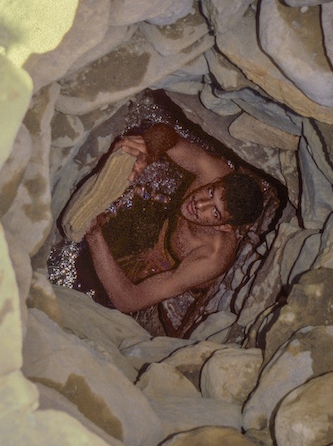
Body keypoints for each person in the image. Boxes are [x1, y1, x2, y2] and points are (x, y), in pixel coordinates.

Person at [83, 124, 265, 315]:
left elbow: (129, 301)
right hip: (162, 230)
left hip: (167, 266)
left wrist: (94, 235)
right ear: (216, 181)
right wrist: (148, 152)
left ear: (226, 227)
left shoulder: (210, 258)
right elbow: (168, 136)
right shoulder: (215, 171)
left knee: (92, 290)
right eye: (210, 192)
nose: (200, 204)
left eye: (216, 213)